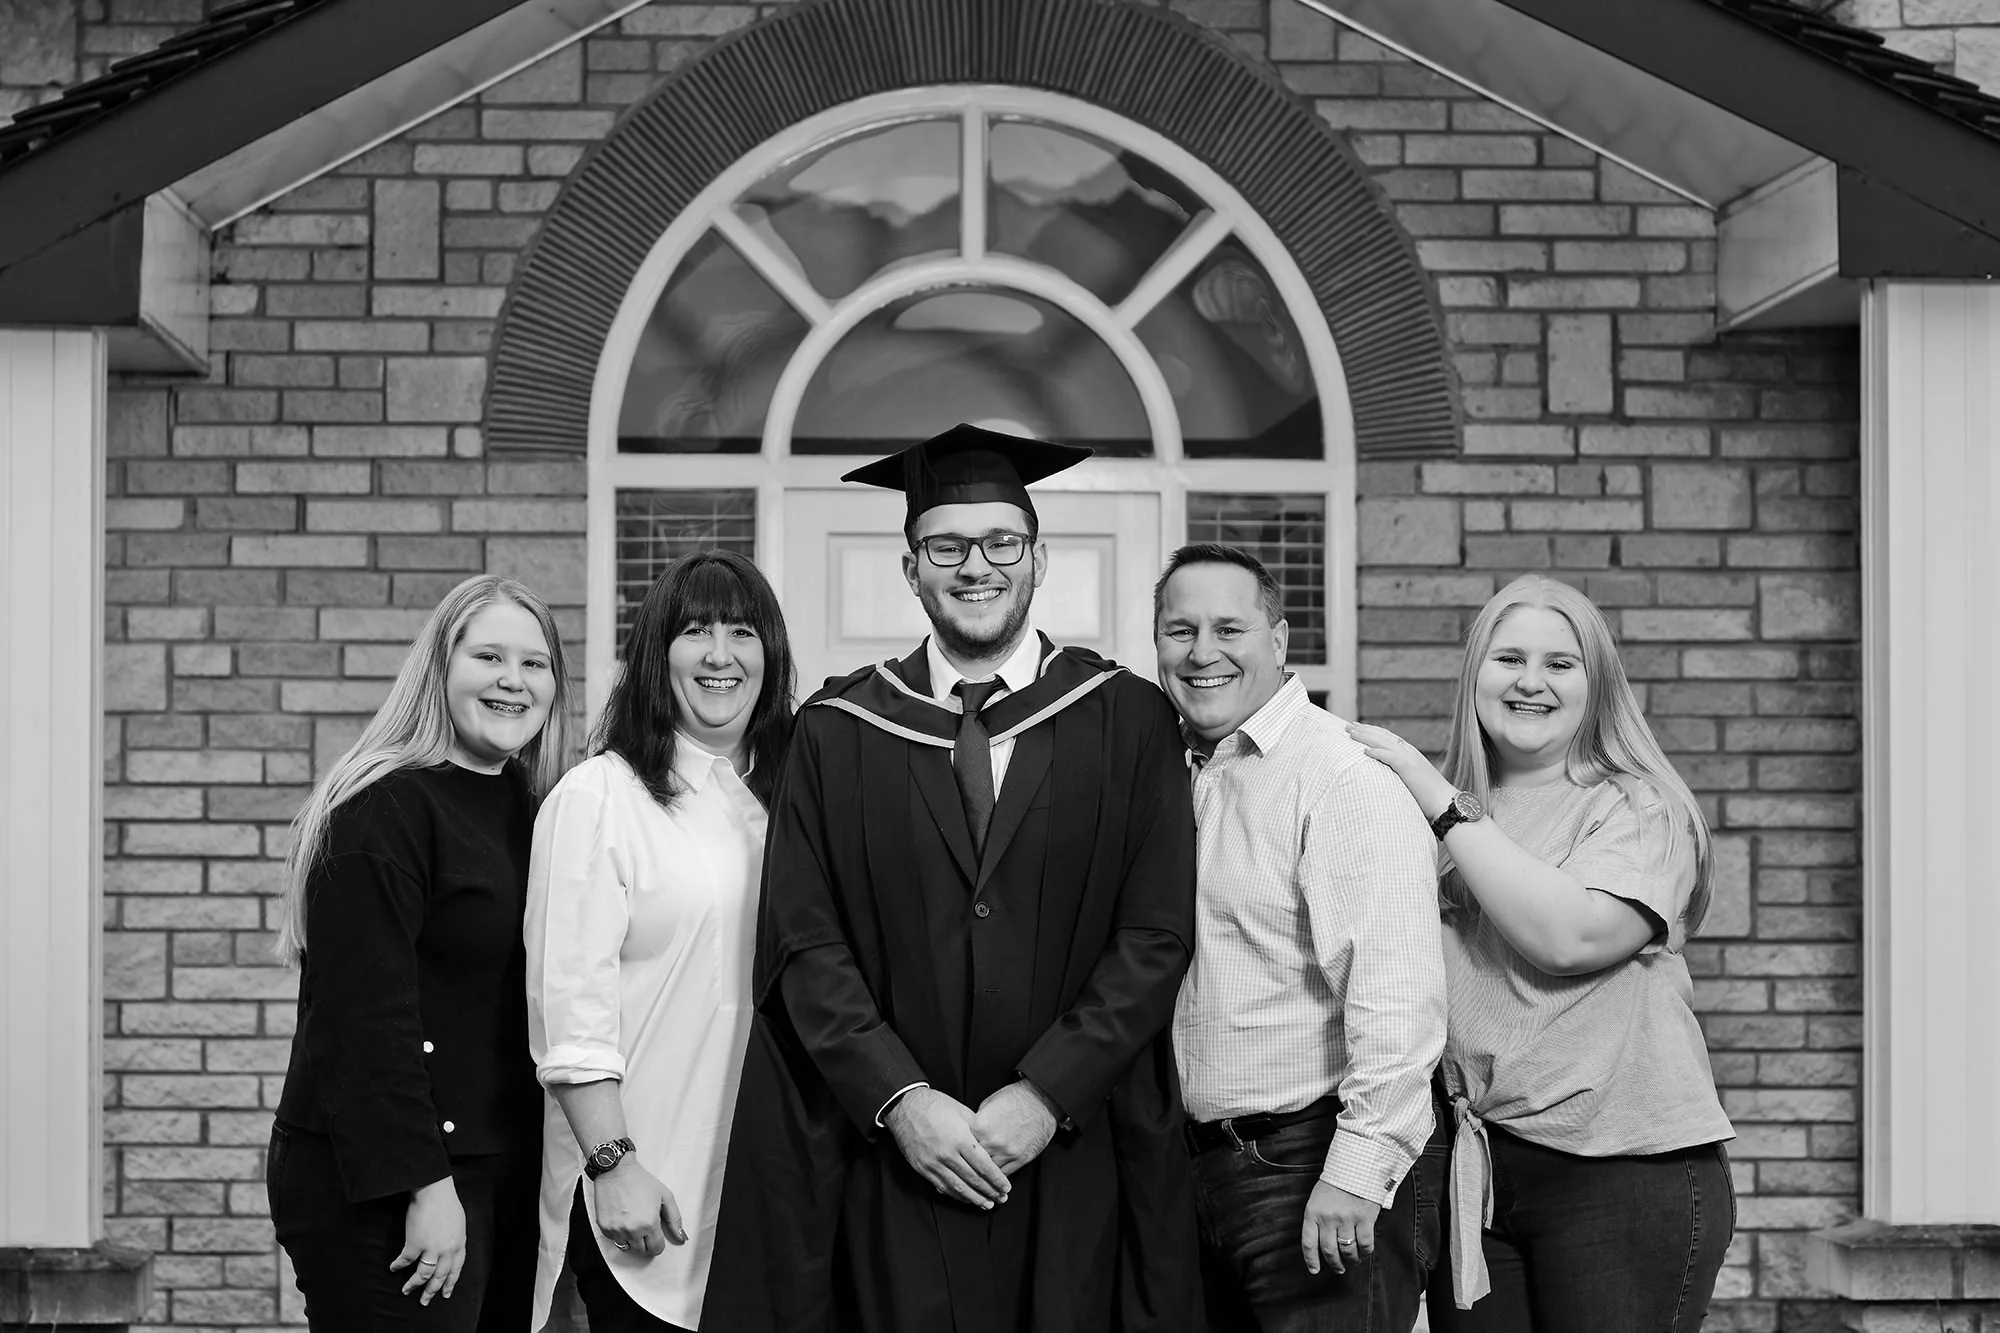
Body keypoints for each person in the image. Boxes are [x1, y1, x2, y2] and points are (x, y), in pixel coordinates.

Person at [705, 423, 1203, 1333]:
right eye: (945, 546)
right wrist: (899, 1099)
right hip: (896, 1158)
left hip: (1075, 1150)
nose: (976, 566)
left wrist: (1049, 1091)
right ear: (910, 568)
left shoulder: (1127, 717)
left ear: (1038, 556)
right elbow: (803, 941)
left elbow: (1156, 934)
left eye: (1001, 542)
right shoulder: (841, 727)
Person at [1345, 573, 1735, 1333]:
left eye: (1561, 663)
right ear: (1476, 676)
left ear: (1598, 684)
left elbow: (1571, 938)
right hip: (1480, 1172)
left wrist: (1434, 795)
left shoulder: (1639, 805)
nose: (1531, 681)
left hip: (1627, 1173)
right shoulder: (1436, 820)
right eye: (1509, 658)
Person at [1154, 543, 1448, 1333]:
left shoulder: (1338, 776)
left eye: (1229, 627)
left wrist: (1355, 1173)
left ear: (1279, 641)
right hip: (1202, 1169)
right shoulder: (1185, 771)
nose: (1202, 652)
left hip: (1310, 1162)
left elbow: (1398, 994)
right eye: (1179, 630)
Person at [268, 574, 574, 1331]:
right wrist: (425, 1187)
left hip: (498, 1167)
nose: (513, 680)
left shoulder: (536, 808)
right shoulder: (382, 808)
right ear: (439, 667)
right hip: (397, 1180)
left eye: (535, 664)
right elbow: (364, 1024)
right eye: (490, 656)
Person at [524, 549, 797, 1332]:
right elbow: (569, 1010)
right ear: (655, 654)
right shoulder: (601, 798)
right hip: (649, 1184)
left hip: (772, 1188)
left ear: (770, 657)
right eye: (694, 632)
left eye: (743, 632)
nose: (720, 654)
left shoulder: (793, 801)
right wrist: (615, 1163)